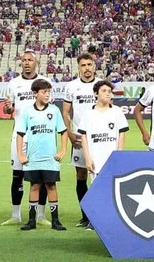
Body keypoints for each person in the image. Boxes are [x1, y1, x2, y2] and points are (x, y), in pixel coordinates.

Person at [2, 51, 51, 226]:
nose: (27, 63)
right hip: (20, 135)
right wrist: (8, 108)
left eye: (30, 60)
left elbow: (49, 109)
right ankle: (16, 215)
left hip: (40, 134)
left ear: (36, 62)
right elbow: (9, 111)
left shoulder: (45, 82)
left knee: (42, 175)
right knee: (17, 175)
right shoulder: (13, 83)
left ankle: (41, 215)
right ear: (20, 63)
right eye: (24, 60)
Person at [16, 79, 68, 231]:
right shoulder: (27, 111)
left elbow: (63, 131)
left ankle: (56, 220)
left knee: (51, 186)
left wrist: (63, 150)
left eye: (48, 92)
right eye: (44, 92)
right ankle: (31, 221)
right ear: (35, 93)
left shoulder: (54, 110)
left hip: (50, 159)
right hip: (33, 158)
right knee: (34, 186)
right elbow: (20, 134)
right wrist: (21, 154)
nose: (47, 95)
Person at [62, 53, 104, 228]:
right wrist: (70, 133)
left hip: (100, 139)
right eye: (83, 65)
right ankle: (85, 216)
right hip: (79, 139)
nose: (87, 68)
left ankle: (99, 215)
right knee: (81, 176)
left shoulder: (102, 85)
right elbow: (65, 112)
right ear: (78, 67)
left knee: (99, 176)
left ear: (94, 66)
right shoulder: (71, 87)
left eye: (89, 64)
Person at [78, 80, 127, 230]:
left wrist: (118, 155)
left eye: (109, 91)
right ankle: (95, 221)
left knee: (112, 190)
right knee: (96, 191)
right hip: (96, 158)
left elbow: (121, 133)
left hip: (112, 158)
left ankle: (112, 221)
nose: (107, 93)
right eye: (104, 91)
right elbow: (84, 136)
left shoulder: (117, 111)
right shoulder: (88, 113)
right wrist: (87, 157)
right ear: (96, 94)